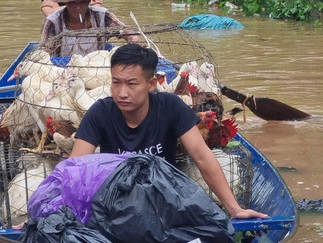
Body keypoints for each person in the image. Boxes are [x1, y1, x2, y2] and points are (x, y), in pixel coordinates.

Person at [70, 43, 268, 220]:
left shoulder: (170, 106)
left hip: (164, 197)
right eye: (116, 82)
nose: (122, 93)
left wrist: (234, 209)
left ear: (151, 84)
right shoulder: (100, 112)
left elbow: (202, 157)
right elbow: (76, 167)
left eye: (131, 84)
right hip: (117, 201)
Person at [40, 0, 138, 56]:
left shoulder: (102, 16)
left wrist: (132, 39)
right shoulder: (53, 21)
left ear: (88, 1)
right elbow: (45, 52)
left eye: (83, 2)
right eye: (73, 3)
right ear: (65, 2)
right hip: (62, 70)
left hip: (95, 69)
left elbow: (125, 31)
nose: (78, 7)